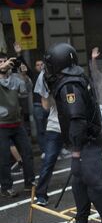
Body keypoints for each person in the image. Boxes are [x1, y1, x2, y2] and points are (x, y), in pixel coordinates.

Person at [43, 42, 102, 223]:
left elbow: (77, 121)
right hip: (86, 141)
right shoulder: (74, 78)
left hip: (87, 142)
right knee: (79, 185)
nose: (47, 70)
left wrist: (76, 153)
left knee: (96, 187)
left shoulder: (69, 85)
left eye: (49, 65)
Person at [0, 52, 35, 197]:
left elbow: (25, 91)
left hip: (16, 123)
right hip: (1, 125)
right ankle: (6, 187)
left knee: (27, 152)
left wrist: (24, 75)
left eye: (5, 61)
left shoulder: (14, 78)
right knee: (4, 157)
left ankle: (30, 183)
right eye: (0, 62)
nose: (4, 64)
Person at [33, 71, 64, 206]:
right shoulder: (47, 77)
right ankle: (41, 194)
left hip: (72, 126)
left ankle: (90, 190)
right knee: (49, 160)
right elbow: (45, 106)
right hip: (55, 126)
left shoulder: (72, 77)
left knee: (84, 159)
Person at [32, 58, 49, 155]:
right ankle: (44, 150)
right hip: (38, 106)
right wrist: (19, 54)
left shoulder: (48, 75)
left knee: (53, 128)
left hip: (49, 105)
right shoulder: (34, 76)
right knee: (41, 129)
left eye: (42, 64)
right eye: (38, 65)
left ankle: (58, 149)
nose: (40, 66)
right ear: (35, 67)